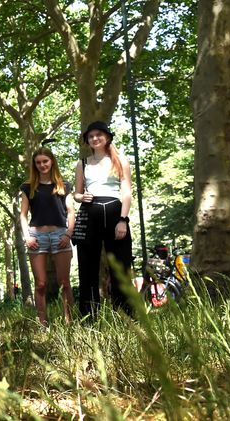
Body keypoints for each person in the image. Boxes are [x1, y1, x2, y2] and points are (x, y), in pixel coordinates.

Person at [74, 121, 134, 318]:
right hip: (89, 213)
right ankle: (89, 316)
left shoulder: (120, 160)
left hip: (115, 212)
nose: (95, 138)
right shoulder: (82, 163)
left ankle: (125, 315)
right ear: (87, 141)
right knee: (87, 267)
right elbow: (76, 193)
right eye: (90, 136)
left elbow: (127, 192)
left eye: (98, 135)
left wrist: (123, 220)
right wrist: (81, 197)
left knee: (121, 266)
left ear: (107, 137)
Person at [19, 147, 75, 326]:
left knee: (64, 282)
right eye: (38, 162)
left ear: (52, 162)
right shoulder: (28, 187)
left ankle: (69, 322)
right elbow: (23, 214)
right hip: (37, 237)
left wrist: (68, 234)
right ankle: (42, 323)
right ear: (34, 165)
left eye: (45, 161)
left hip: (60, 235)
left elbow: (71, 212)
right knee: (40, 284)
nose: (42, 165)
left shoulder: (64, 185)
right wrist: (27, 237)